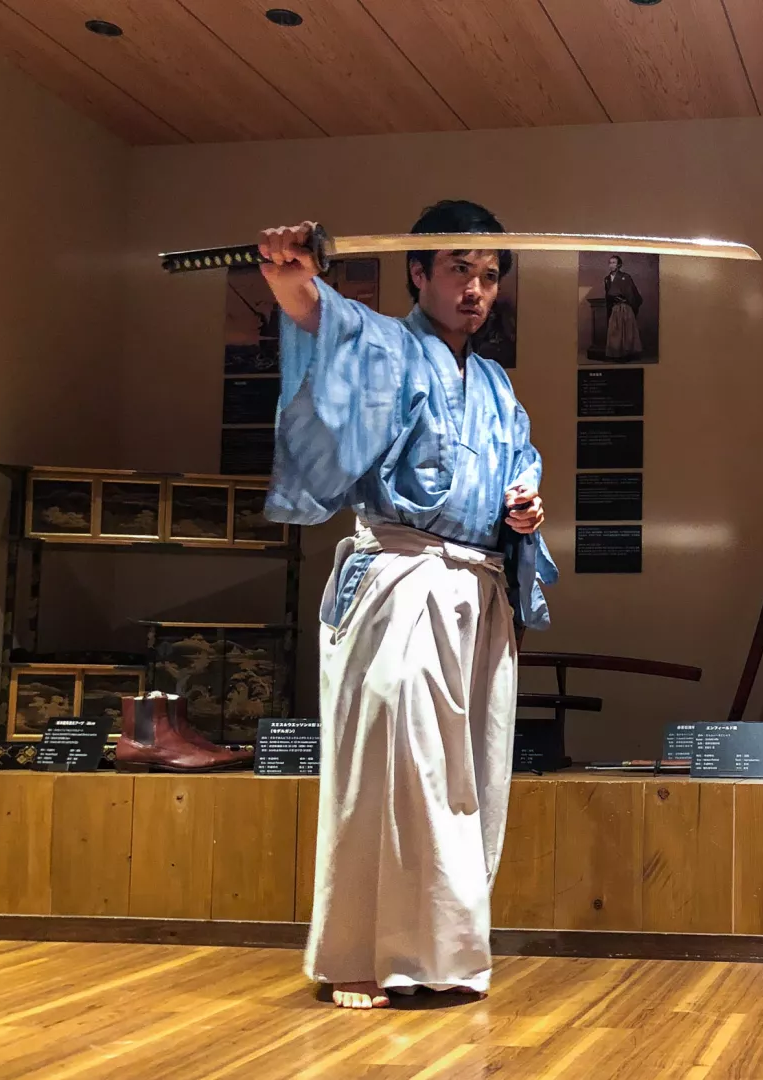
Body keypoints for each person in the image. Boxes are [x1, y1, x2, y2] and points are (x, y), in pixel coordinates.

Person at [256, 199, 557, 1011]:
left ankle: (441, 956)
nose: (476, 289)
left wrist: (524, 509)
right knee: (395, 767)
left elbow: (520, 469)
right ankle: (363, 955)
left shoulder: (496, 385)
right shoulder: (386, 348)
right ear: (418, 272)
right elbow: (320, 317)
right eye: (459, 269)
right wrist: (289, 277)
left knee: (466, 780)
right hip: (402, 576)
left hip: (478, 588)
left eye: (489, 274)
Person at [602, 254, 644, 359]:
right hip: (614, 308)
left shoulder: (626, 277)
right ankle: (616, 354)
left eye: (614, 263)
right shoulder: (607, 279)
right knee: (614, 331)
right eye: (610, 263)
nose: (611, 265)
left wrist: (629, 303)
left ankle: (627, 354)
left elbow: (632, 293)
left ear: (619, 265)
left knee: (627, 331)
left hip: (625, 308)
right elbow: (608, 295)